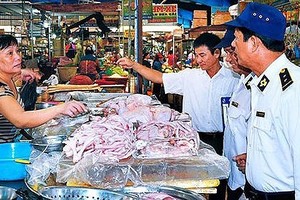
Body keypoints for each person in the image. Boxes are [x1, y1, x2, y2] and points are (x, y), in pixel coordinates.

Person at [117, 32, 240, 200]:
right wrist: (134, 65)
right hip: (195, 140)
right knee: (196, 184)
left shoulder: (234, 78)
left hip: (225, 139)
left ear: (216, 53)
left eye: (203, 55)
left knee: (221, 182)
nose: (199, 60)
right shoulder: (190, 76)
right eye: (196, 55)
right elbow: (159, 78)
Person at [226, 2, 300, 199]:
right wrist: (258, 160)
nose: (233, 45)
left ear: (254, 43)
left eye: (236, 39)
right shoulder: (262, 83)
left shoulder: (293, 90)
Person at [0, 35, 87, 143]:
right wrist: (60, 109)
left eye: (17, 51)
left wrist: (21, 72)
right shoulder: (1, 90)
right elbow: (20, 119)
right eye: (10, 53)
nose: (18, 57)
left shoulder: (8, 79)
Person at [216, 28, 253, 200]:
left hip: (250, 182)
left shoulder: (258, 88)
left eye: (232, 52)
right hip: (235, 177)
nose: (229, 60)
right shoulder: (241, 83)